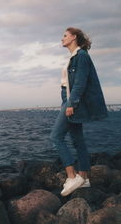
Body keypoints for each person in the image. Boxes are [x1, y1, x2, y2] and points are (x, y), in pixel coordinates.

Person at [50, 27, 108, 196]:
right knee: (77, 139)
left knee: (56, 136)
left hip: (71, 100)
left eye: (65, 36)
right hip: (67, 98)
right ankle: (84, 177)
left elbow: (80, 83)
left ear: (74, 37)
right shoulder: (74, 57)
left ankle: (72, 176)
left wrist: (71, 104)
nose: (62, 39)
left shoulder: (81, 56)